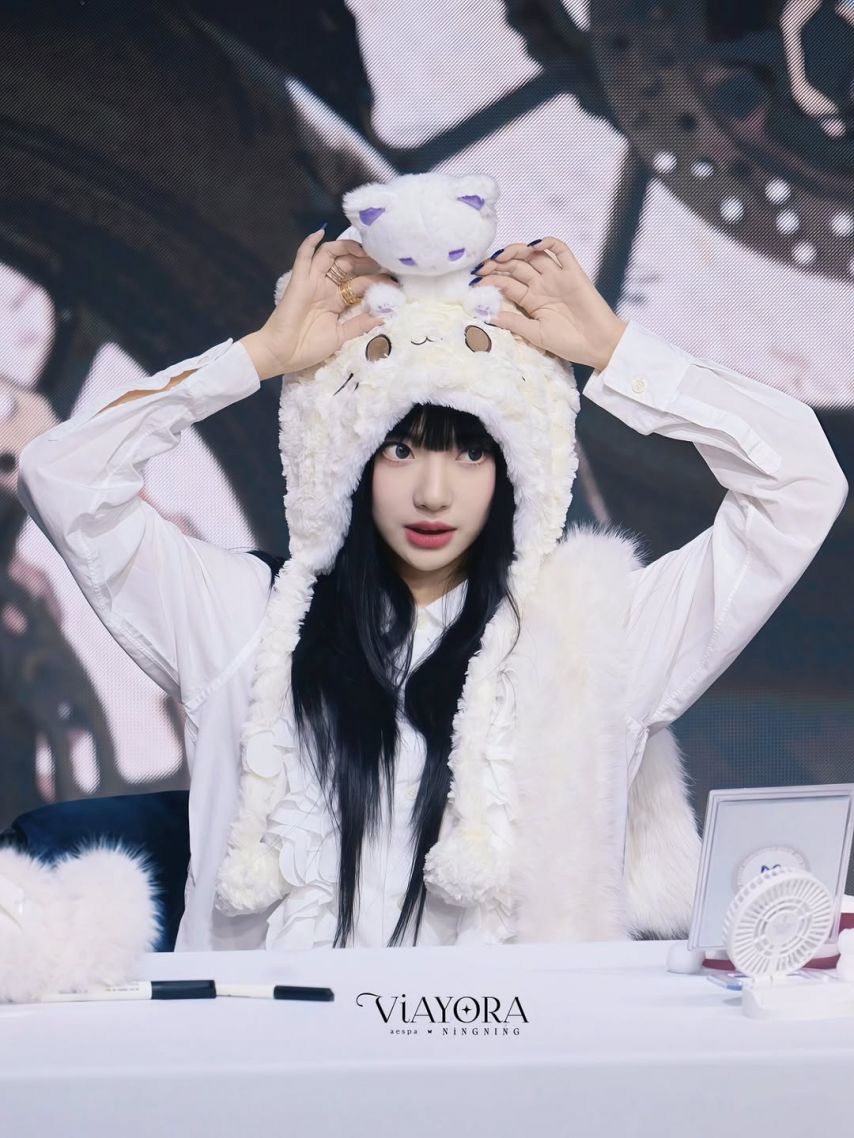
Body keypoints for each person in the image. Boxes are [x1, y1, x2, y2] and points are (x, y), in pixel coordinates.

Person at [17, 172, 847, 953]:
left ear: (519, 470)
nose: (434, 492)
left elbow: (800, 486)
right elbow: (62, 476)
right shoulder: (244, 619)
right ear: (343, 456)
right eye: (402, 448)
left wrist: (614, 351)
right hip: (267, 1057)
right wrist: (260, 356)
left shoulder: (594, 636)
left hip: (528, 1057)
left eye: (472, 453)